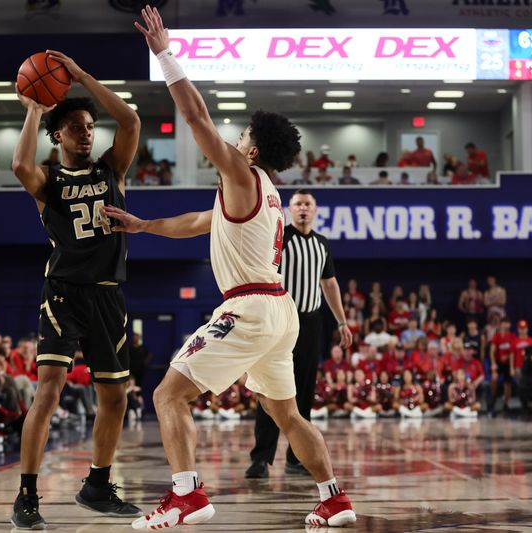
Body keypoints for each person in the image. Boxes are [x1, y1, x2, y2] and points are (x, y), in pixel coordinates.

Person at [103, 7, 356, 529]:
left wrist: (166, 55)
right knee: (286, 413)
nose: (234, 140)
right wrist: (144, 225)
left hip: (249, 306)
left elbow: (196, 119)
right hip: (279, 310)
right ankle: (334, 498)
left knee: (167, 393)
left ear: (253, 148)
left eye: (241, 136)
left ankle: (186, 495)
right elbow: (200, 220)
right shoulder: (266, 194)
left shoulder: (242, 171)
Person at [9, 47, 141, 529]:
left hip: (108, 293)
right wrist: (33, 110)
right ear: (58, 135)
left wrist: (83, 76)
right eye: (77, 127)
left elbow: (129, 121)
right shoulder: (49, 179)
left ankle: (97, 484)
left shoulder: (112, 169)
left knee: (115, 397)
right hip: (63, 292)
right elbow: (20, 167)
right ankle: (27, 497)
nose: (87, 132)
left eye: (89, 126)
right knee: (48, 394)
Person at [244, 189, 352, 479]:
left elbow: (329, 285)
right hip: (279, 321)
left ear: (315, 210)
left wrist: (341, 322)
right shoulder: (280, 239)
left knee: (303, 393)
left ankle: (297, 458)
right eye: (298, 204)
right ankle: (261, 459)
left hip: (311, 323)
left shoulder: (322, 244)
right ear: (290, 210)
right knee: (268, 390)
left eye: (308, 204)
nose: (303, 208)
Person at [489, 317, 516, 415]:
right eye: (504, 323)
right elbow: (492, 351)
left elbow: (513, 353)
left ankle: (506, 404)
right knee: (494, 378)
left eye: (507, 323)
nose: (505, 325)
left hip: (508, 364)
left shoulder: (512, 336)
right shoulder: (497, 336)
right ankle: (493, 400)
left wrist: (512, 368)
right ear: (500, 325)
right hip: (498, 363)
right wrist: (493, 364)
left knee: (507, 384)